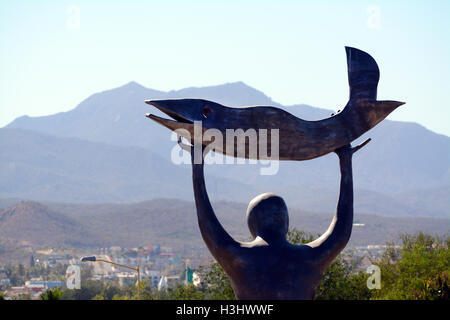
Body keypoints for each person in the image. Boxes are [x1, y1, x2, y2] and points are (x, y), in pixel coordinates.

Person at [181, 137, 369, 299]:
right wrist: (345, 163)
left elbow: (206, 221)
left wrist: (197, 163)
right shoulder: (310, 257)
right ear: (286, 223)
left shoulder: (238, 257)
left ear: (251, 225)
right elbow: (341, 229)